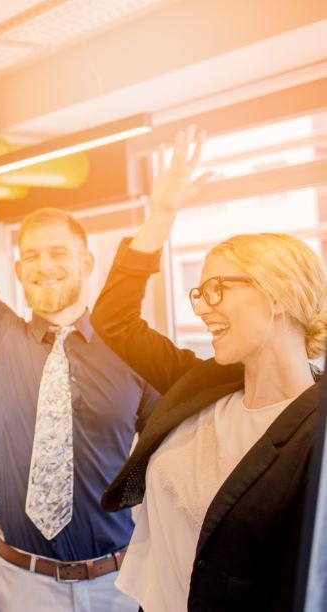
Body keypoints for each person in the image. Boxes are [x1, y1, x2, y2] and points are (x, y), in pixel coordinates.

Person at [0, 77, 158, 611]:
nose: (44, 264)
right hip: (21, 586)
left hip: (116, 584)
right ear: (18, 269)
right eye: (30, 256)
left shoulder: (130, 347)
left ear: (85, 263)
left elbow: (172, 450)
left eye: (58, 252)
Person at [92, 126, 326, 611]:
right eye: (200, 292)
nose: (202, 306)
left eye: (218, 288)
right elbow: (113, 320)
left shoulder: (316, 430)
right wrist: (162, 215)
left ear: (277, 294)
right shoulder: (200, 383)